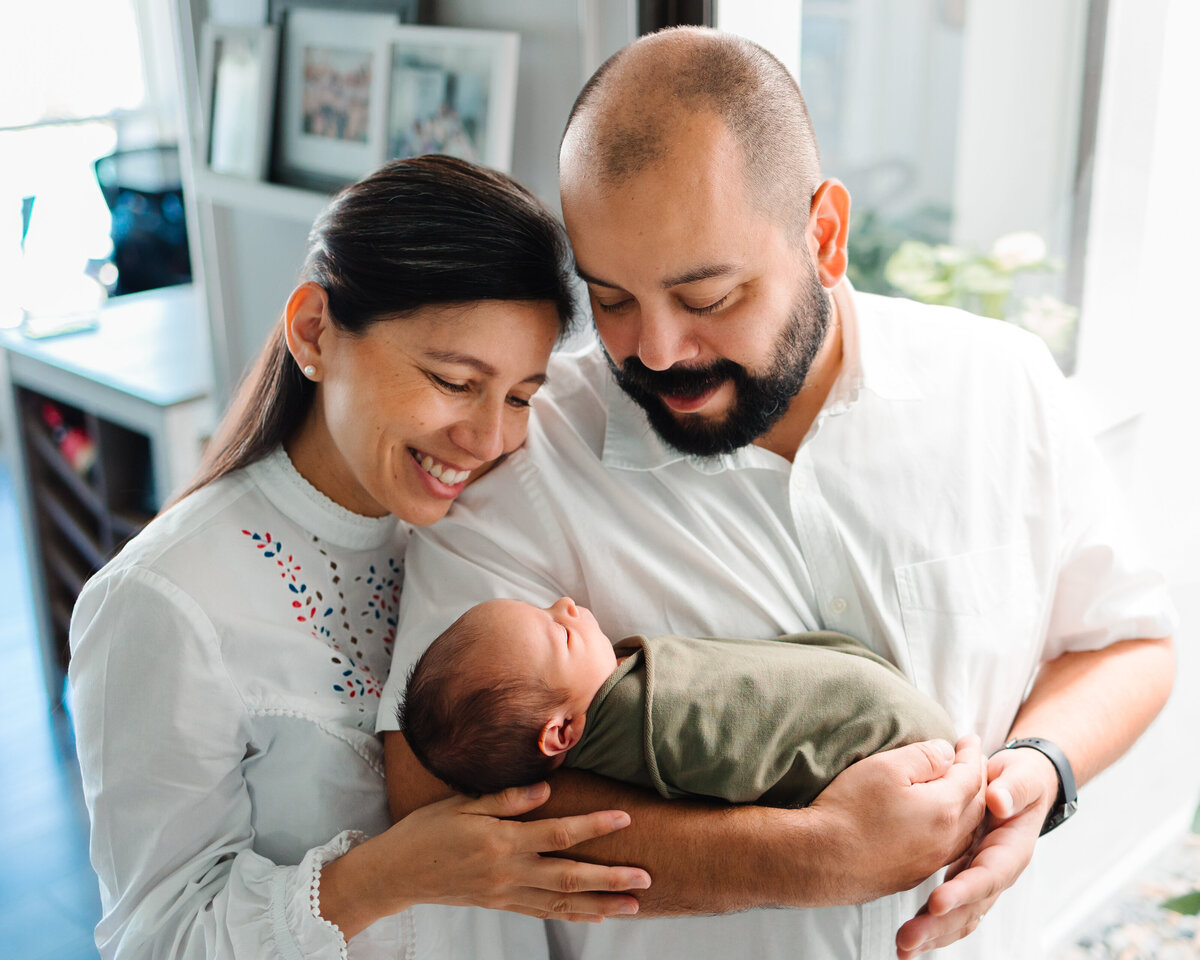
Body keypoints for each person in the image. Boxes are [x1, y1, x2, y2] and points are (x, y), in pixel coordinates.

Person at [377, 27, 1177, 960]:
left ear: (824, 236)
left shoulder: (1002, 385)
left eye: (708, 297)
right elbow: (432, 792)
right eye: (612, 298)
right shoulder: (525, 454)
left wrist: (1039, 770)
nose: (656, 350)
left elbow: (1128, 640)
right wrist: (817, 855)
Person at [67, 156, 653, 960]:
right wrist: (386, 875)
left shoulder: (489, 526)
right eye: (453, 380)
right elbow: (156, 941)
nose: (487, 440)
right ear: (314, 330)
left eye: (519, 396)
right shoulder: (161, 601)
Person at [401, 596, 956, 805]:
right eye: (560, 632)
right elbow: (746, 750)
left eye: (546, 606)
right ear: (561, 733)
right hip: (892, 741)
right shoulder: (653, 724)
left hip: (885, 704)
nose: (567, 604)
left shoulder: (609, 694)